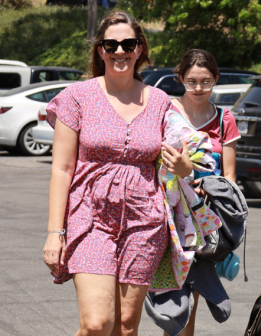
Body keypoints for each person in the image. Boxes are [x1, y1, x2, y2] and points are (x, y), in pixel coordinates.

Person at [41, 11, 193, 336]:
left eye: (128, 44)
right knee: (97, 324)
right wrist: (55, 232)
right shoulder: (76, 98)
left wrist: (183, 166)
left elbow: (188, 157)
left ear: (139, 49)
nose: (120, 51)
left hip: (145, 223)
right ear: (101, 50)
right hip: (90, 220)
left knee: (125, 327)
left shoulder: (161, 102)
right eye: (111, 45)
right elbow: (62, 169)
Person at [166, 49, 241, 336]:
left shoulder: (225, 119)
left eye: (206, 82)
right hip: (167, 216)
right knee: (167, 301)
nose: (199, 88)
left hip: (203, 220)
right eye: (191, 81)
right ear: (180, 78)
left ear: (216, 79)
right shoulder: (165, 111)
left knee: (187, 303)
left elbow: (230, 177)